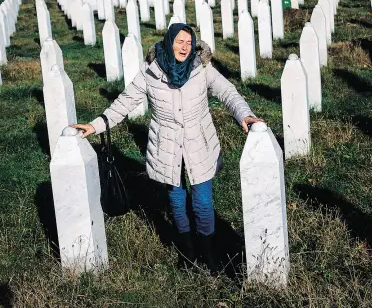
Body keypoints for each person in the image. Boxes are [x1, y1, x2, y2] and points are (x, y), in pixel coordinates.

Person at [72, 23, 262, 273]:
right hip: (167, 148)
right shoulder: (150, 73)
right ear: (168, 42)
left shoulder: (202, 68)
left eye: (188, 42)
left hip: (199, 145)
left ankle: (207, 250)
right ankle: (188, 251)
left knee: (203, 203)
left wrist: (244, 115)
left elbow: (228, 92)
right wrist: (95, 126)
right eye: (179, 42)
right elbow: (125, 102)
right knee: (176, 200)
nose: (184, 47)